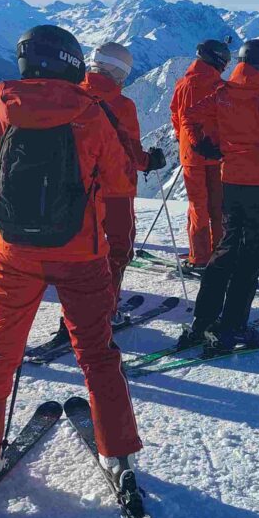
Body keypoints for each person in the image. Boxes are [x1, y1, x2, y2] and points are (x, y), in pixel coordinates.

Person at [0, 25, 144, 518]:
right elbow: (120, 182)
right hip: (82, 255)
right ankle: (118, 453)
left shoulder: (2, 109)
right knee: (97, 354)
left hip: (13, 255)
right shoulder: (91, 113)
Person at [177, 38, 259, 354]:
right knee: (251, 257)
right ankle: (233, 327)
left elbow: (188, 115)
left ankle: (202, 322)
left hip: (230, 180)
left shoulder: (224, 92)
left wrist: (202, 144)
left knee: (226, 250)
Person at [82, 42, 167, 323]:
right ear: (119, 72)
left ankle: (77, 312)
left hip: (80, 190)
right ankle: (104, 313)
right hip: (116, 189)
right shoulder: (122, 105)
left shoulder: (74, 95)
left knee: (83, 251)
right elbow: (130, 151)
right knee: (118, 250)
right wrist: (150, 161)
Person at [169, 39, 232, 272]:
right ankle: (220, 252)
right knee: (218, 205)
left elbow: (176, 116)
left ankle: (200, 256)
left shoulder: (182, 84)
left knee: (198, 206)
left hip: (191, 155)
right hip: (216, 153)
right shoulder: (220, 86)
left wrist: (184, 141)